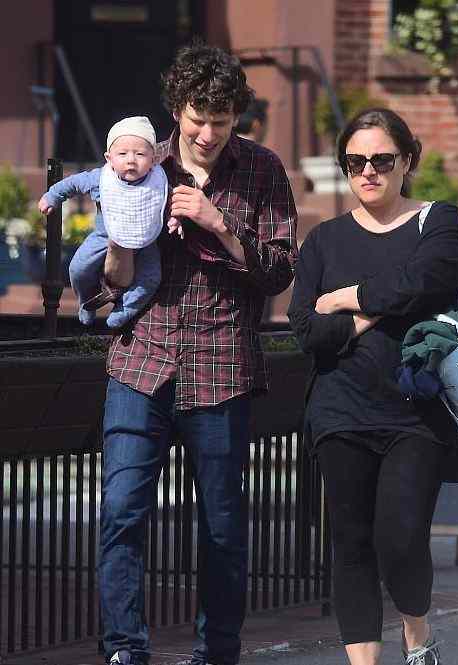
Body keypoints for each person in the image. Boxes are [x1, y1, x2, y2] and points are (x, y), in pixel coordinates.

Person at [100, 43, 298, 665]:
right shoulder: (140, 165)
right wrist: (122, 239)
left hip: (221, 369)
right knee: (121, 511)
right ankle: (125, 651)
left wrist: (219, 224)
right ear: (176, 110)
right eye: (197, 117)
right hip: (141, 363)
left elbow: (278, 272)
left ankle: (217, 651)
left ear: (237, 116)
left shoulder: (262, 171)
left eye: (221, 118)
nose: (208, 132)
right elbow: (113, 281)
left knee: (220, 526)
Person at [287, 108, 458, 665]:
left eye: (381, 160)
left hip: (414, 414)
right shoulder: (323, 241)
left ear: (407, 161)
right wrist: (381, 308)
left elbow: (430, 282)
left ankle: (417, 632)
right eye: (355, 162)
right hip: (340, 409)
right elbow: (307, 332)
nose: (368, 172)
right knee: (351, 543)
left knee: (400, 538)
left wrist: (346, 299)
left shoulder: (436, 221)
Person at [38, 116, 167, 329]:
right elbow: (73, 183)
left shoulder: (158, 182)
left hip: (145, 241)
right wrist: (53, 196)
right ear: (109, 158)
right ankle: (87, 302)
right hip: (104, 237)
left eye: (140, 153)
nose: (131, 160)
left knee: (151, 278)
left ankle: (125, 309)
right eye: (122, 153)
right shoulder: (101, 179)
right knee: (78, 268)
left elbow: (168, 204)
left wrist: (174, 220)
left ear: (153, 158)